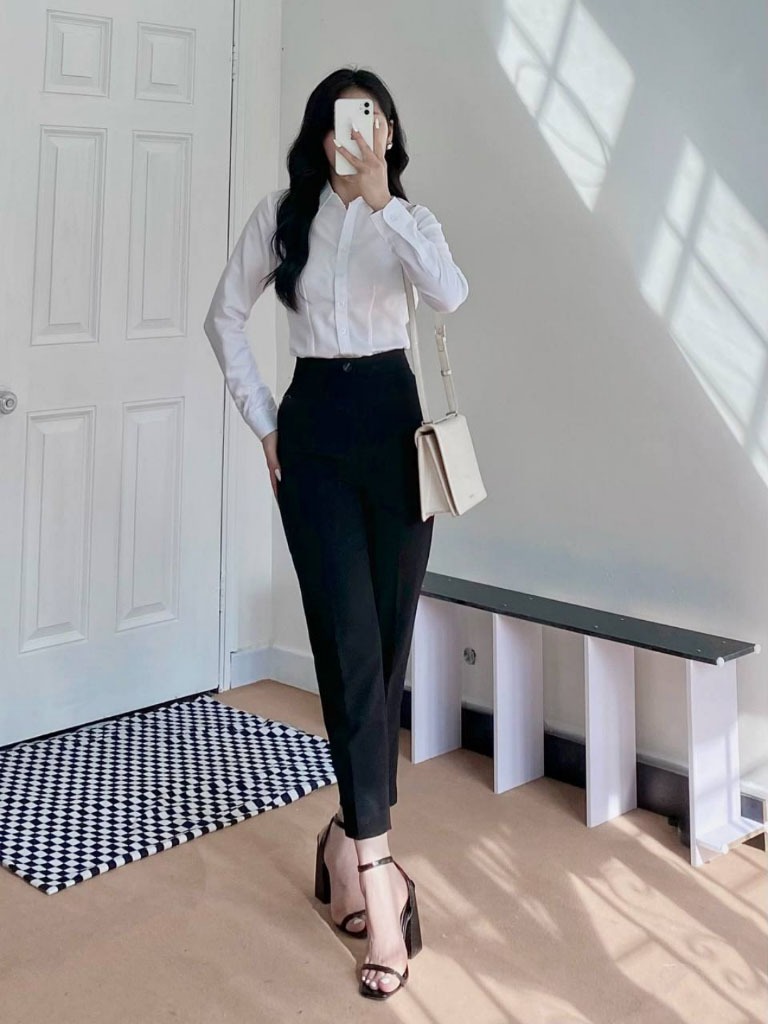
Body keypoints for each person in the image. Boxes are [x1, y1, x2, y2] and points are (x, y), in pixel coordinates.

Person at [203, 67, 469, 1000]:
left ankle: (343, 840)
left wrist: (384, 200)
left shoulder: (411, 222)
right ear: (319, 134)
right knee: (349, 650)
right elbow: (223, 317)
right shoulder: (283, 218)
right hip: (314, 434)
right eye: (340, 122)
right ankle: (383, 892)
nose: (355, 135)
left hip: (395, 431)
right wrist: (264, 419)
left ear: (388, 132)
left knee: (384, 655)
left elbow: (450, 295)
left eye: (371, 120)